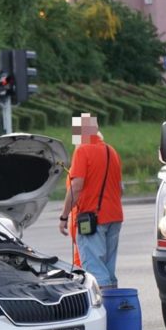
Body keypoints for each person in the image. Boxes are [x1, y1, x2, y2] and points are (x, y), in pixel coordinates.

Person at [59, 113, 123, 289]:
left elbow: (76, 186)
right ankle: (113, 311)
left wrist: (64, 216)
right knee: (108, 270)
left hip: (92, 220)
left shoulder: (82, 150)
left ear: (79, 134)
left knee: (95, 272)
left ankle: (101, 312)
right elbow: (120, 188)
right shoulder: (111, 151)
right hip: (115, 217)